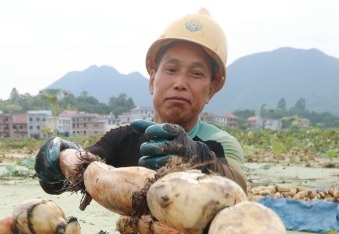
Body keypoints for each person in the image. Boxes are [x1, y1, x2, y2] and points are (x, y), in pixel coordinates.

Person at [35, 8, 247, 194]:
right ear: (153, 80)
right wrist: (57, 161)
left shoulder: (220, 144)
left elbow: (237, 189)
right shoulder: (123, 139)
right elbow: (76, 170)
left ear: (211, 89)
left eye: (196, 74)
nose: (180, 82)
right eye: (171, 70)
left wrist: (194, 155)